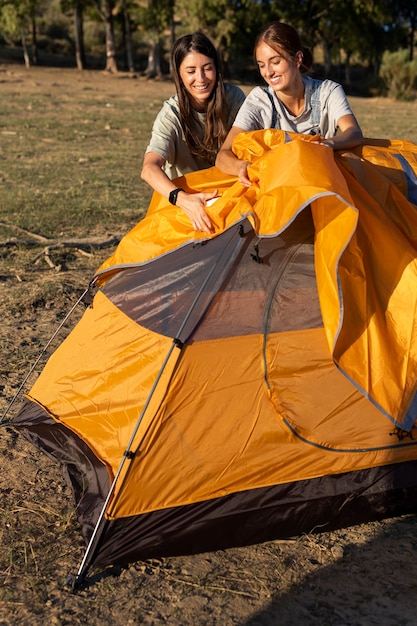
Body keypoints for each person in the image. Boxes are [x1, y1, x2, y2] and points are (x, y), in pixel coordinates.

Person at [215, 22, 363, 186]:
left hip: (320, 185)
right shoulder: (259, 101)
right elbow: (223, 155)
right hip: (278, 190)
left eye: (275, 62)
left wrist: (328, 144)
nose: (268, 72)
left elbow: (354, 132)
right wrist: (242, 167)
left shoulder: (328, 92)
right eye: (262, 65)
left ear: (297, 59)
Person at [141, 32, 246, 233]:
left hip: (228, 198)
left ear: (217, 68)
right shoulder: (171, 114)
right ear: (179, 74)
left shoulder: (233, 99)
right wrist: (182, 199)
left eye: (207, 68)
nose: (201, 78)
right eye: (191, 71)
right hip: (186, 204)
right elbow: (149, 169)